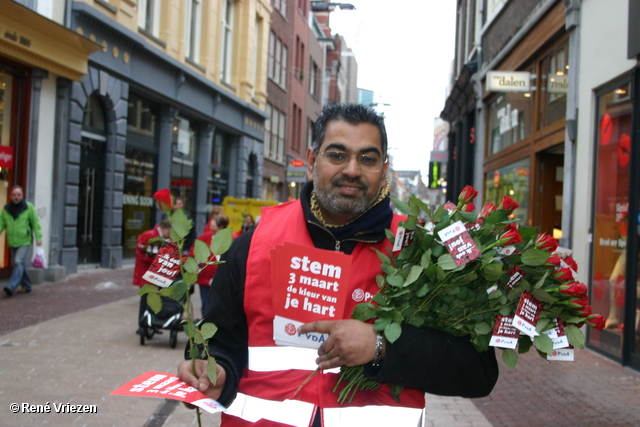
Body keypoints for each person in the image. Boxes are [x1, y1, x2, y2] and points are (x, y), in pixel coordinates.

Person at [178, 104, 498, 426]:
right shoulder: (252, 246)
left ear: (384, 170)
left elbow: (478, 372)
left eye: (368, 159)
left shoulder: (423, 254)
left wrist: (381, 345)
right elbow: (219, 344)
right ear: (312, 162)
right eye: (337, 155)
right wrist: (214, 372)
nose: (352, 170)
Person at [1, 185, 43, 297]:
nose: (16, 197)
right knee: (19, 264)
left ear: (22, 196)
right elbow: (1, 224)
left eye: (18, 195)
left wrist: (39, 238)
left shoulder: (28, 207)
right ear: (10, 196)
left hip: (24, 240)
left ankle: (11, 286)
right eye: (14, 195)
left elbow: (35, 223)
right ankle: (27, 286)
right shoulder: (6, 209)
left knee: (18, 261)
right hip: (12, 240)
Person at [188, 214, 229, 317]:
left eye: (214, 226)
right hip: (206, 279)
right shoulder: (205, 238)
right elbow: (193, 252)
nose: (211, 228)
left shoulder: (230, 240)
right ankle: (205, 325)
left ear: (221, 227)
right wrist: (196, 264)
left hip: (221, 279)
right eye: (211, 226)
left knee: (220, 305)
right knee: (206, 304)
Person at [133, 217, 171, 328]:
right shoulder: (150, 236)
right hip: (147, 274)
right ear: (165, 228)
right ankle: (142, 325)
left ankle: (151, 324)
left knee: (153, 300)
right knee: (145, 300)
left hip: (155, 274)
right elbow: (141, 254)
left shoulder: (162, 237)